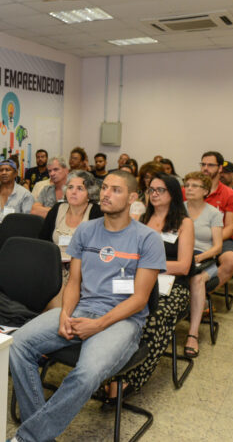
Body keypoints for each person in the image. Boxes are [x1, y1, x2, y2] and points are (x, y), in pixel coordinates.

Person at [9, 171, 164, 442]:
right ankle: (40, 432)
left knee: (86, 373)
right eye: (104, 188)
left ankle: (30, 437)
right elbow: (74, 283)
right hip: (82, 309)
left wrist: (98, 325)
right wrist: (65, 314)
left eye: (116, 190)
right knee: (17, 344)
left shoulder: (147, 238)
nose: (106, 194)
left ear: (132, 198)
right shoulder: (86, 230)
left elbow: (140, 299)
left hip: (122, 321)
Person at [107, 173, 193, 400]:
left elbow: (184, 266)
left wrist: (148, 266)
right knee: (114, 307)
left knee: (154, 317)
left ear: (172, 193)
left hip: (172, 286)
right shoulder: (139, 219)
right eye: (151, 190)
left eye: (160, 190)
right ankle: (108, 369)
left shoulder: (184, 223)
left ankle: (131, 378)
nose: (154, 194)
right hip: (139, 280)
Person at [39, 170, 103, 309]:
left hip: (82, 271)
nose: (73, 192)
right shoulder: (57, 209)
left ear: (89, 193)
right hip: (53, 268)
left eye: (80, 188)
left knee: (58, 300)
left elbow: (99, 249)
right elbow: (42, 242)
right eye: (70, 187)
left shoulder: (96, 213)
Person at [183, 171, 223, 358]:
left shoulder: (214, 213)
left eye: (194, 186)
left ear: (205, 191)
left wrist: (199, 258)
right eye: (187, 185)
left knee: (197, 279)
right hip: (183, 256)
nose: (189, 189)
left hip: (206, 260)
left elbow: (218, 247)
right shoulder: (178, 209)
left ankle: (193, 334)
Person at [198, 151, 233, 286]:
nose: (205, 168)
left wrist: (211, 239)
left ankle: (203, 290)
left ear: (220, 168)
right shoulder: (189, 190)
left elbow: (230, 227)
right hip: (191, 236)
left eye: (210, 165)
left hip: (220, 237)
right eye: (203, 164)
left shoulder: (230, 194)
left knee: (232, 260)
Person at [0, 159, 34, 224]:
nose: (4, 173)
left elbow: (28, 222)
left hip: (14, 229)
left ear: (15, 173)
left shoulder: (25, 195)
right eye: (1, 170)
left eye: (7, 170)